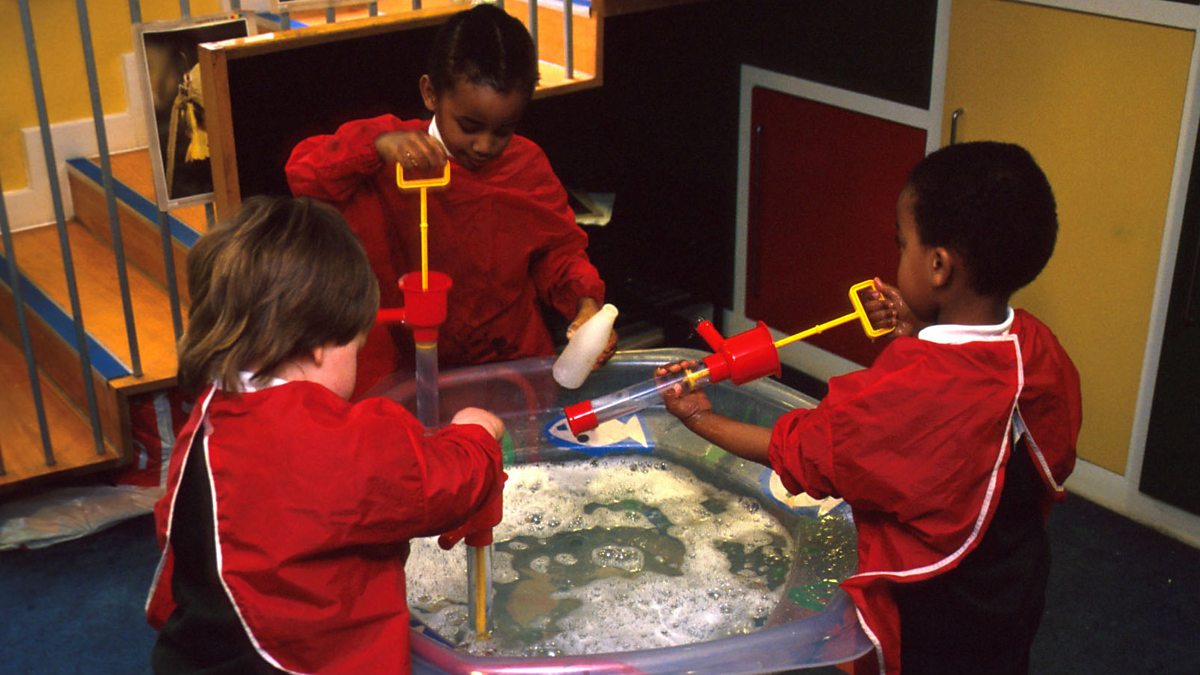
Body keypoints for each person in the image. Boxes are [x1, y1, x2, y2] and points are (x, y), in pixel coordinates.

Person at [660, 142, 1082, 675]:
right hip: (1012, 583)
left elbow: (804, 450)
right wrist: (919, 331)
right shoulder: (1037, 346)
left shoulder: (907, 391)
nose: (898, 256)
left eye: (902, 244)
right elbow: (997, 430)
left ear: (938, 266)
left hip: (938, 613)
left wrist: (700, 417)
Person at [145, 196, 507, 675]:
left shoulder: (209, 416)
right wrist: (476, 436)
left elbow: (176, 524)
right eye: (355, 346)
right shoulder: (338, 441)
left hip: (197, 654)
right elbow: (435, 483)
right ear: (318, 346)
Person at [286, 3, 615, 398]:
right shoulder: (388, 152)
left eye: (503, 130)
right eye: (469, 126)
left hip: (509, 370)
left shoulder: (526, 165)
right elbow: (304, 173)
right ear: (430, 93)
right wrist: (375, 146)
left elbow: (558, 252)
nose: (484, 145)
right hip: (402, 374)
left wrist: (584, 304)